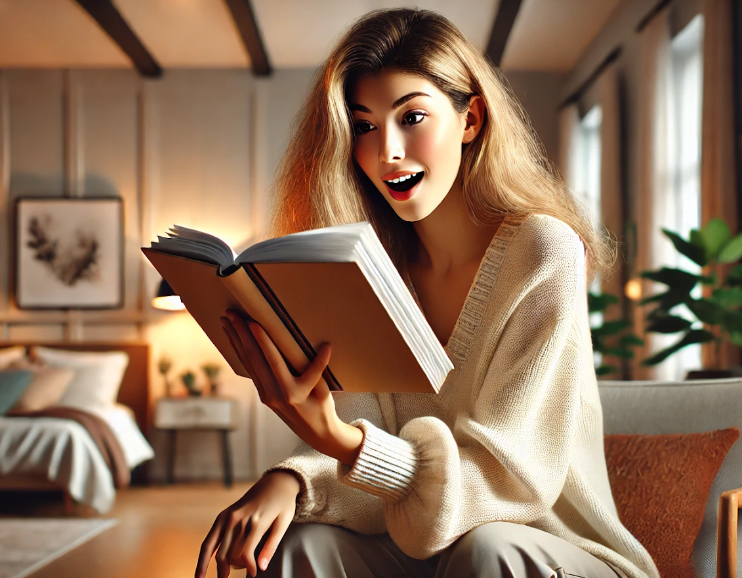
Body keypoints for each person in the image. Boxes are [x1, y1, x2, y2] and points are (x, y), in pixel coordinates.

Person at [195, 8, 657, 578]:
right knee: (297, 547)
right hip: (426, 550)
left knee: (485, 550)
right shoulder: (368, 272)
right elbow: (372, 483)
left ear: (471, 119)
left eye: (411, 116)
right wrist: (293, 479)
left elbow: (506, 484)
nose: (386, 149)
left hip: (550, 551)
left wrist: (342, 440)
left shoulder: (543, 251)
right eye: (363, 126)